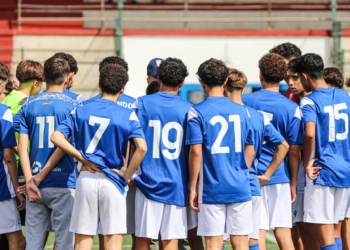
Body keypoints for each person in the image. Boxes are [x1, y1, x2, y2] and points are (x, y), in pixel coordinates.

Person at [51, 63, 147, 250]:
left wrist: (83, 158)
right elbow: (142, 148)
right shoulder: (127, 114)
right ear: (122, 88)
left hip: (86, 177)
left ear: (99, 84)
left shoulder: (81, 108)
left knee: (83, 242)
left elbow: (56, 136)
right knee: (112, 242)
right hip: (113, 181)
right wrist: (127, 175)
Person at [187, 58, 254, 250]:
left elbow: (196, 153)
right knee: (241, 243)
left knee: (213, 244)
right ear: (226, 81)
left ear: (201, 82)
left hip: (212, 188)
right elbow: (250, 146)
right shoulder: (244, 112)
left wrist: (192, 187)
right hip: (240, 185)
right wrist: (242, 171)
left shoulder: (196, 112)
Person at [18, 56, 79, 250]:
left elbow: (22, 146)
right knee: (64, 244)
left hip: (35, 184)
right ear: (68, 78)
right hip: (64, 182)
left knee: (33, 244)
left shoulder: (28, 104)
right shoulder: (75, 104)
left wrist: (30, 181)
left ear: (43, 76)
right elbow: (65, 143)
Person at [242, 53, 303, 250]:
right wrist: (293, 182)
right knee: (284, 233)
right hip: (279, 176)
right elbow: (294, 150)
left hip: (253, 174)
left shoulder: (245, 101)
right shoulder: (291, 107)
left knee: (256, 232)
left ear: (260, 75)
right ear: (283, 76)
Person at [225, 68, 289, 250]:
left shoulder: (215, 113)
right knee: (252, 239)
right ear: (243, 88)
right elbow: (283, 145)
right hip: (250, 184)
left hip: (221, 183)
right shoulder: (257, 116)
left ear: (224, 86)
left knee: (217, 240)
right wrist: (267, 175)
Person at [133, 57, 191, 250]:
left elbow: (130, 142)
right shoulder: (190, 109)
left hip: (147, 180)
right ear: (182, 82)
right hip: (177, 183)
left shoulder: (140, 103)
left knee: (142, 239)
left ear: (157, 78)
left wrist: (128, 171)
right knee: (170, 240)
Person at [296, 53, 350, 250]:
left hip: (323, 170)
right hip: (345, 170)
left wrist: (307, 163)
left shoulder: (309, 101)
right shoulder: (345, 95)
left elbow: (310, 133)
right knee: (336, 228)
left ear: (305, 76)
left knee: (324, 232)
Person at [287, 59, 319, 250]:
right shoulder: (295, 98)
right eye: (288, 77)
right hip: (320, 171)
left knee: (307, 226)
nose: (291, 82)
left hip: (309, 172)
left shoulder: (308, 102)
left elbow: (308, 136)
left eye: (295, 77)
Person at [0, 67, 26, 250]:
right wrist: (17, 189)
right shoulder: (3, 111)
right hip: (1, 185)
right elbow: (8, 154)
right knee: (17, 239)